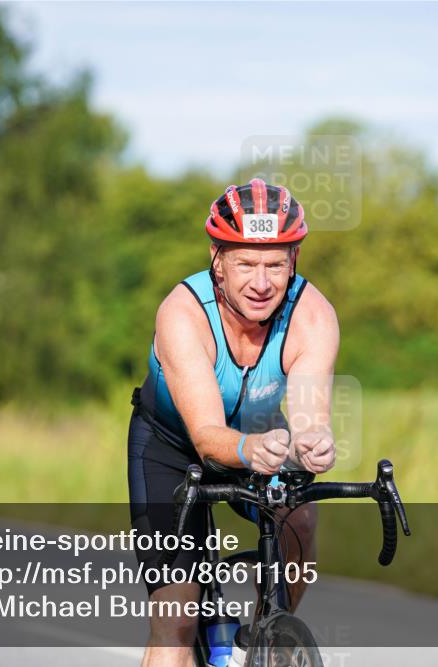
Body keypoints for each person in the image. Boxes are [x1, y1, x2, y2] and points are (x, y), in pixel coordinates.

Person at [127, 178, 339, 666]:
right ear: (217, 260)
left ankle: (264, 642)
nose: (261, 283)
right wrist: (249, 450)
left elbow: (310, 419)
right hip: (172, 450)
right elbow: (206, 438)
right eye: (246, 263)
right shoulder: (183, 314)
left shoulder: (312, 316)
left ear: (294, 264)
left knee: (300, 519)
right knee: (176, 621)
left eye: (275, 265)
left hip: (260, 439)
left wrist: (314, 443)